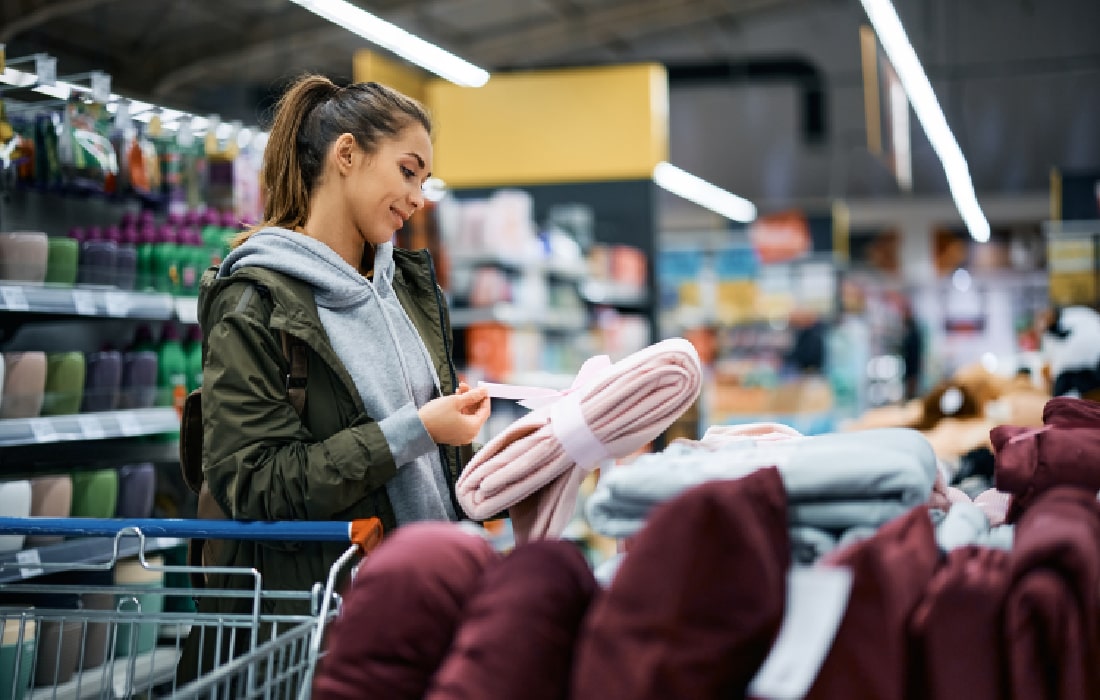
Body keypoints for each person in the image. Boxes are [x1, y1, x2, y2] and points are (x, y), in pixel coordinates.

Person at [178, 74, 490, 683]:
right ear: (347, 155)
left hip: (422, 614)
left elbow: (421, 462)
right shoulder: (255, 301)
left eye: (424, 180)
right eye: (408, 171)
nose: (418, 196)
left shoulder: (407, 292)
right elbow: (255, 483)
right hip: (314, 636)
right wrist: (416, 429)